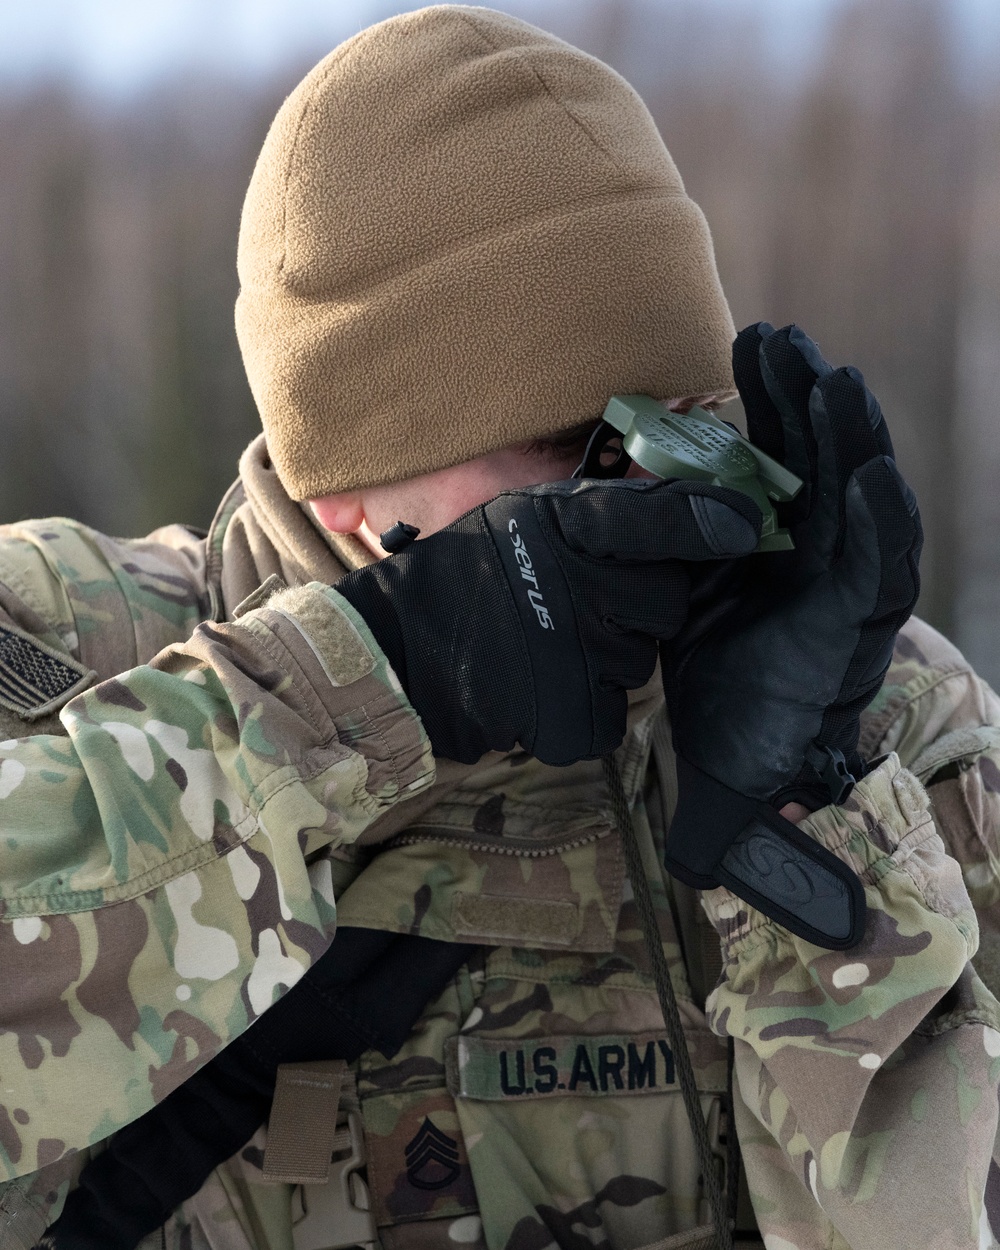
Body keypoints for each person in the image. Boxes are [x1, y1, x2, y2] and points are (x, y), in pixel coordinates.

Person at [0, 7, 997, 1250]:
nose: (657, 500)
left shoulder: (875, 718)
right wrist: (374, 685)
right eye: (575, 445)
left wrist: (808, 831)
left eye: (690, 426)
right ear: (346, 480)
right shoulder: (69, 658)